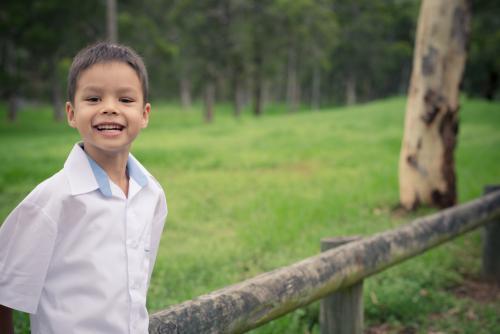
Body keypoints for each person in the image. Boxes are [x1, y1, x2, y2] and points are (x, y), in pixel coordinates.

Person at [0, 42, 167, 334]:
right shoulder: (52, 200)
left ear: (145, 114)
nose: (110, 108)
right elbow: (4, 292)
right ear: (71, 113)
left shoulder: (151, 194)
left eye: (126, 100)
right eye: (93, 98)